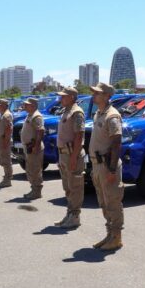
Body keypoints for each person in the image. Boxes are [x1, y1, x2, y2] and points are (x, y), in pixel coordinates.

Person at [88, 83, 124, 251]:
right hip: (97, 165)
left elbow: (116, 143)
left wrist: (111, 170)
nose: (93, 95)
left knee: (112, 202)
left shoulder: (112, 115)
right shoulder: (99, 113)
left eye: (97, 93)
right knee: (103, 202)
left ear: (107, 96)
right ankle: (110, 234)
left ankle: (116, 237)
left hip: (107, 165)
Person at [54, 87, 86, 229]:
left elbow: (79, 136)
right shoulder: (66, 111)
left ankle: (75, 217)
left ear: (72, 97)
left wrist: (73, 157)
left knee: (75, 187)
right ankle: (70, 214)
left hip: (72, 155)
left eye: (64, 96)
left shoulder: (76, 112)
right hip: (64, 155)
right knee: (68, 187)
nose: (61, 99)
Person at [20, 97, 45, 200]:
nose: (24, 106)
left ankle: (37, 191)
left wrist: (36, 146)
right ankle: (34, 189)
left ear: (33, 106)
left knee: (35, 170)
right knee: (30, 169)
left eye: (27, 104)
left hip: (34, 147)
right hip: (29, 147)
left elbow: (40, 131)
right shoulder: (30, 115)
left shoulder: (36, 116)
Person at [0, 98, 14, 189]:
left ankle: (7, 180)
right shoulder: (2, 114)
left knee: (6, 161)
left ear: (3, 105)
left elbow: (9, 129)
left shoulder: (7, 115)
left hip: (4, 140)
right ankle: (6, 179)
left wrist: (5, 142)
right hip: (1, 140)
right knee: (2, 159)